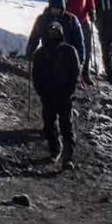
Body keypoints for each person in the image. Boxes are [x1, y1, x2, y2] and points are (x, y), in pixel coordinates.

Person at [29, 20, 82, 168]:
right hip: (49, 95)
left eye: (55, 32)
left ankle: (67, 156)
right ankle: (56, 150)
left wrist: (70, 90)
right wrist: (41, 91)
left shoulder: (68, 51)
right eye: (51, 32)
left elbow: (75, 72)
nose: (53, 35)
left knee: (65, 125)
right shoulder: (41, 53)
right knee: (49, 124)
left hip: (63, 95)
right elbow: (36, 75)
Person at [49, 0, 96, 76]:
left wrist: (92, 9)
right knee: (69, 46)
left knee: (86, 46)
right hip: (68, 20)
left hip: (83, 18)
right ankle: (70, 72)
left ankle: (85, 71)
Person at [25, 0, 87, 73]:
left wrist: (80, 59)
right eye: (54, 8)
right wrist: (29, 53)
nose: (56, 11)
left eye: (58, 9)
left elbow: (79, 41)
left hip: (67, 56)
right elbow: (34, 37)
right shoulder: (43, 19)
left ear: (63, 8)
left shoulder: (70, 20)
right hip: (47, 55)